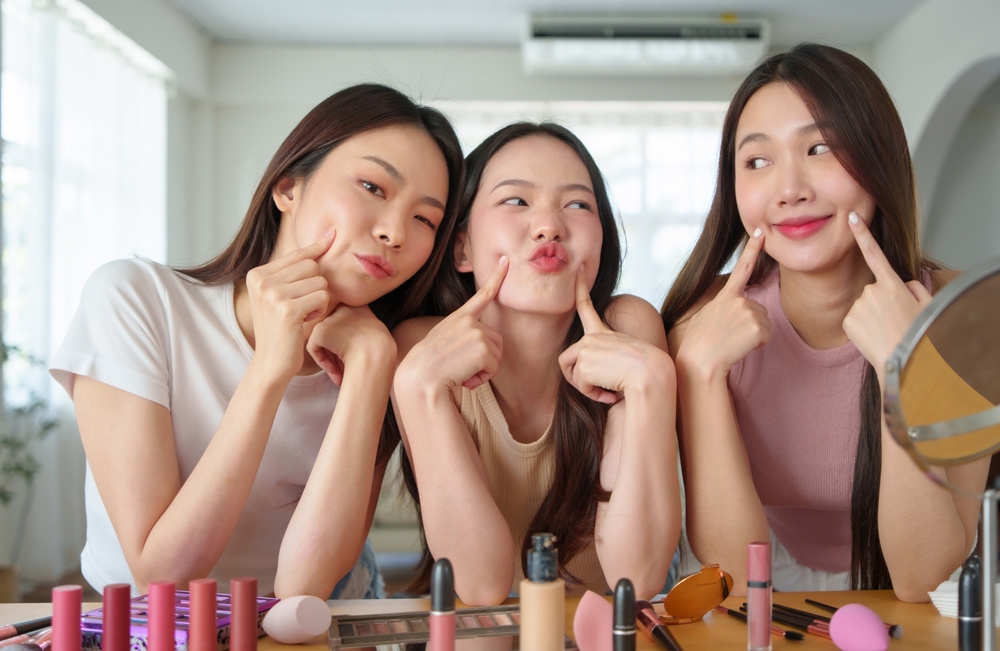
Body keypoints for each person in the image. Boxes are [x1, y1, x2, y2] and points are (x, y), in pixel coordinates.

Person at [49, 83, 464, 599]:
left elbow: (316, 583)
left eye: (425, 218)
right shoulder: (135, 300)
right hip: (145, 625)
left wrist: (370, 374)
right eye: (373, 187)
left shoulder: (383, 351)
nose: (395, 232)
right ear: (288, 187)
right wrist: (270, 366)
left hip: (309, 621)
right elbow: (160, 577)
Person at [660, 43, 989, 602]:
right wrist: (699, 373)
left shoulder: (966, 316)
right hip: (768, 581)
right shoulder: (704, 324)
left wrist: (902, 367)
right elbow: (736, 578)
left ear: (878, 158)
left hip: (922, 591)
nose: (790, 189)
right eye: (757, 161)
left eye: (819, 148)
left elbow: (923, 575)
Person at [391, 123, 680, 605]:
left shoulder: (628, 328)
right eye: (516, 201)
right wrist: (419, 389)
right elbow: (482, 586)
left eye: (578, 204)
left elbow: (639, 576)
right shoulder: (423, 349)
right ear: (462, 247)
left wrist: (653, 383)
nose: (549, 226)